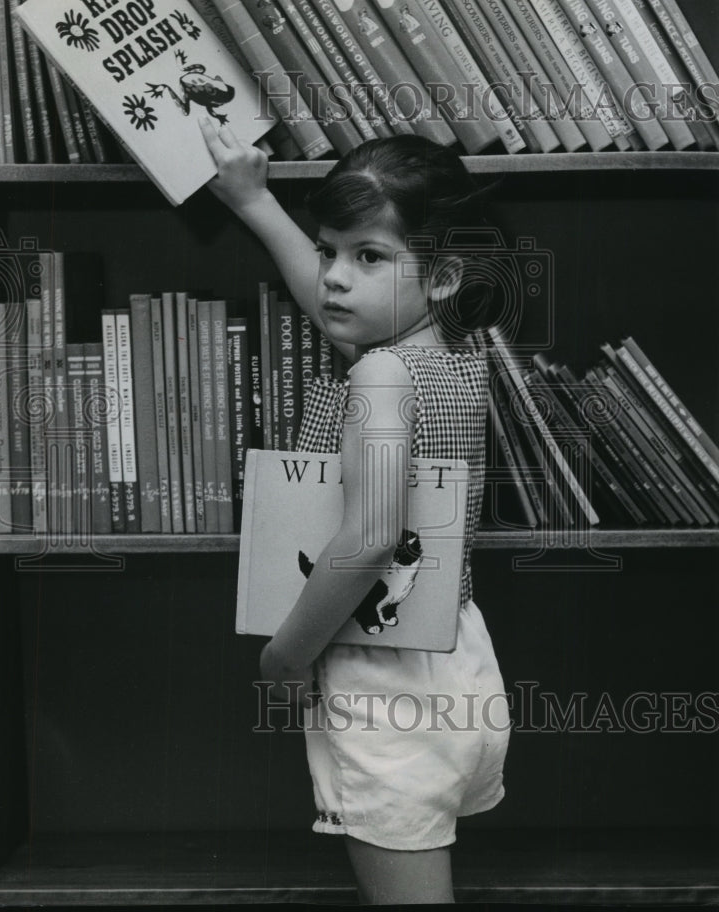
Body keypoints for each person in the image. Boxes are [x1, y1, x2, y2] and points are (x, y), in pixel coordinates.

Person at [201, 121, 511, 905]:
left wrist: (285, 655)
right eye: (328, 249)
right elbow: (352, 304)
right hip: (457, 657)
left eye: (366, 256)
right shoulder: (451, 348)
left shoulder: (378, 376)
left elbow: (372, 535)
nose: (333, 278)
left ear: (439, 276)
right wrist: (253, 199)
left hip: (382, 673)